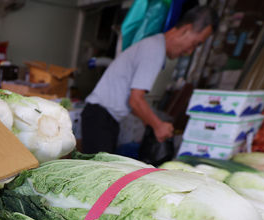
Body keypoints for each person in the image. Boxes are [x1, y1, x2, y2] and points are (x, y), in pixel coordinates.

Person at [81, 5, 219, 154]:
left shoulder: (154, 45)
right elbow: (135, 101)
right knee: (101, 173)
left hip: (102, 118)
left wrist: (151, 121)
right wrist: (158, 126)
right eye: (195, 44)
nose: (189, 51)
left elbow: (132, 101)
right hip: (100, 118)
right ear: (186, 29)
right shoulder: (154, 50)